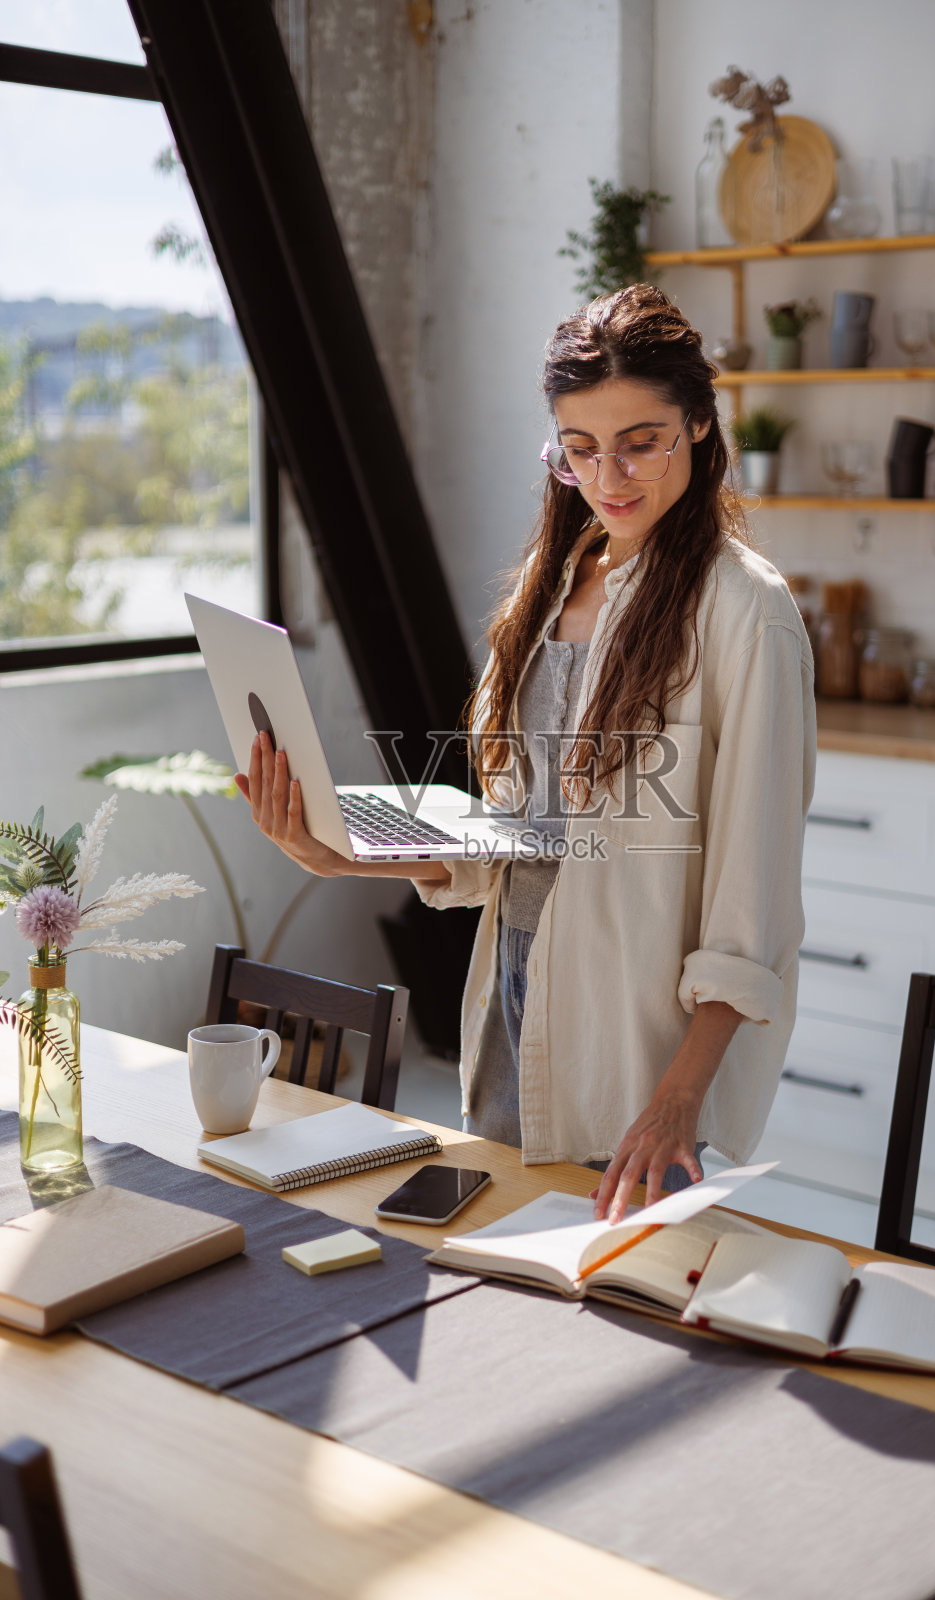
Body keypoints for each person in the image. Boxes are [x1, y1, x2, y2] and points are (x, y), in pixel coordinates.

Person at [237, 283, 815, 1227]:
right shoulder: (556, 584)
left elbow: (753, 902)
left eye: (640, 441)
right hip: (512, 980)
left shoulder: (745, 611)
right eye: (580, 449)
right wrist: (340, 852)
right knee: (498, 1271)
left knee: (622, 1303)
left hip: (636, 1027)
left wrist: (678, 1097)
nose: (610, 476)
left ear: (700, 427)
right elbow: (519, 837)